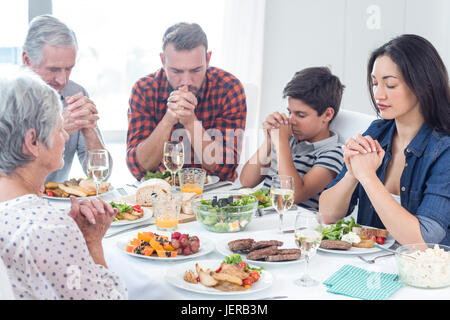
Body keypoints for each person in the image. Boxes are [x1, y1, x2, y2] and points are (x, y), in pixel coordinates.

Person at [0, 66, 127, 300]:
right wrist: (92, 243)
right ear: (32, 141)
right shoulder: (52, 228)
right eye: (59, 129)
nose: (66, 137)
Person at [319, 34, 450, 246]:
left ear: (422, 85)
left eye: (390, 85)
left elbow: (422, 240)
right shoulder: (377, 132)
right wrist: (352, 174)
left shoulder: (444, 149)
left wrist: (368, 177)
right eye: (374, 83)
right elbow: (327, 215)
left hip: (423, 273)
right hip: (368, 265)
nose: (378, 95)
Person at [126, 22, 247, 182]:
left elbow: (225, 168)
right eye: (176, 71)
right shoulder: (144, 89)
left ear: (208, 58)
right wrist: (168, 119)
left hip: (214, 195)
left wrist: (190, 122)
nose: (186, 81)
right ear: (163, 61)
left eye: (196, 70)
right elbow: (139, 168)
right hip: (162, 192)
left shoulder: (229, 88)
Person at [240, 67, 345, 210]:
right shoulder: (289, 138)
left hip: (296, 225)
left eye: (301, 115)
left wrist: (282, 142)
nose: (291, 120)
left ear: (327, 115)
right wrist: (270, 141)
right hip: (263, 217)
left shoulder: (335, 153)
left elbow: (293, 196)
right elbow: (247, 181)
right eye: (290, 112)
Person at [22, 14, 111, 183]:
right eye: (53, 69)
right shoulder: (6, 99)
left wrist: (89, 129)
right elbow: (10, 176)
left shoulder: (75, 92)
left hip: (57, 205)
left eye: (68, 68)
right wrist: (57, 130)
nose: (63, 80)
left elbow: (102, 177)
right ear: (27, 60)